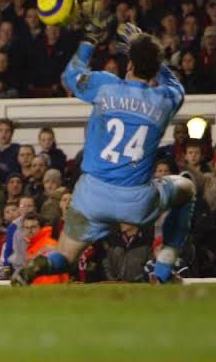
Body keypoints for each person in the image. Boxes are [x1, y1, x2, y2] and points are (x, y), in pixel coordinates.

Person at [13, 24, 195, 285]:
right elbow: (176, 86)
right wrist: (155, 61)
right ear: (154, 68)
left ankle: (40, 264)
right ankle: (164, 270)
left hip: (92, 195)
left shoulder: (106, 86)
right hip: (136, 200)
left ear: (129, 64)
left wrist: (89, 41)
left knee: (66, 255)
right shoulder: (165, 99)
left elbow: (71, 76)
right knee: (186, 188)